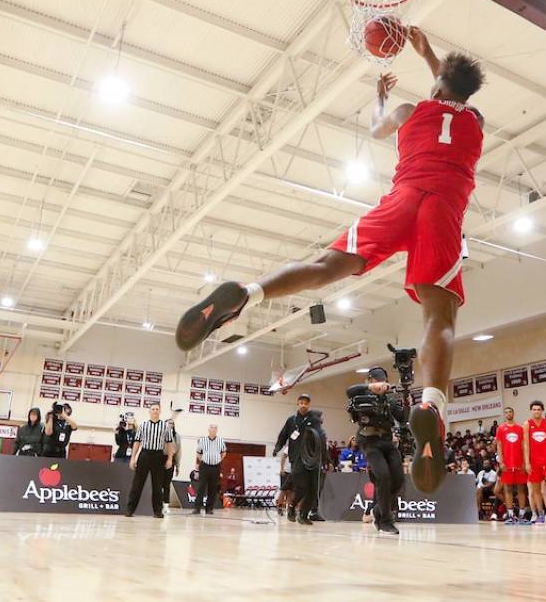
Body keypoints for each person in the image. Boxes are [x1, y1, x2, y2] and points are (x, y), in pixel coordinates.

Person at [175, 30, 486, 495]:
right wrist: (429, 57)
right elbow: (451, 93)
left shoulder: (410, 111)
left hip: (402, 198)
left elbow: (380, 127)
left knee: (324, 267)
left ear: (437, 83)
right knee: (438, 315)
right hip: (444, 207)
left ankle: (247, 294)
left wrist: (381, 98)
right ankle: (432, 405)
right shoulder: (475, 121)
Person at [348, 367, 406, 534]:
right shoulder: (362, 393)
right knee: (383, 476)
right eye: (375, 381)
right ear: (370, 381)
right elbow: (349, 391)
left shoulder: (390, 398)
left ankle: (378, 509)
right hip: (369, 441)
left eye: (383, 381)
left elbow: (402, 417)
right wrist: (370, 388)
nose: (380, 384)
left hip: (387, 441)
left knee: (398, 478)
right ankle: (386, 521)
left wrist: (407, 403)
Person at [274, 394, 329, 525]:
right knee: (302, 486)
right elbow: (283, 435)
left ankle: (304, 514)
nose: (304, 405)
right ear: (298, 404)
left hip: (313, 458)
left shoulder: (314, 420)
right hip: (297, 458)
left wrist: (326, 459)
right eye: (301, 403)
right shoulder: (291, 420)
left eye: (306, 403)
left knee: (314, 488)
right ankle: (292, 506)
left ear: (309, 405)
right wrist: (277, 447)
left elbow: (320, 438)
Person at [123, 403, 175, 518]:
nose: (155, 411)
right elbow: (137, 442)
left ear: (160, 411)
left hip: (158, 456)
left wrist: (170, 459)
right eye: (153, 409)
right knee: (137, 484)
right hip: (145, 454)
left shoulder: (165, 426)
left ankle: (157, 511)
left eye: (157, 409)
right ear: (150, 411)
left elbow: (170, 443)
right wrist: (133, 458)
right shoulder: (143, 425)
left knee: (157, 485)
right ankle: (130, 510)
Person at [493, 406, 527, 525]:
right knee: (507, 489)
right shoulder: (500, 428)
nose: (508, 414)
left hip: (519, 463)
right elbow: (499, 446)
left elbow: (523, 446)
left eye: (510, 412)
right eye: (506, 412)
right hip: (506, 464)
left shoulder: (520, 428)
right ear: (505, 414)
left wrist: (524, 462)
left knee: (521, 489)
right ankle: (511, 515)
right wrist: (501, 462)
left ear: (513, 413)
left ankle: (522, 516)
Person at [193, 424, 226, 515]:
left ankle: (209, 509)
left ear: (217, 430)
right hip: (205, 466)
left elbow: (223, 453)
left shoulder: (220, 441)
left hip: (216, 467)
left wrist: (218, 460)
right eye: (212, 428)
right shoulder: (202, 440)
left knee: (213, 488)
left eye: (215, 428)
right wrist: (203, 460)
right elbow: (198, 452)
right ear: (208, 430)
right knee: (201, 487)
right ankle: (197, 508)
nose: (213, 430)